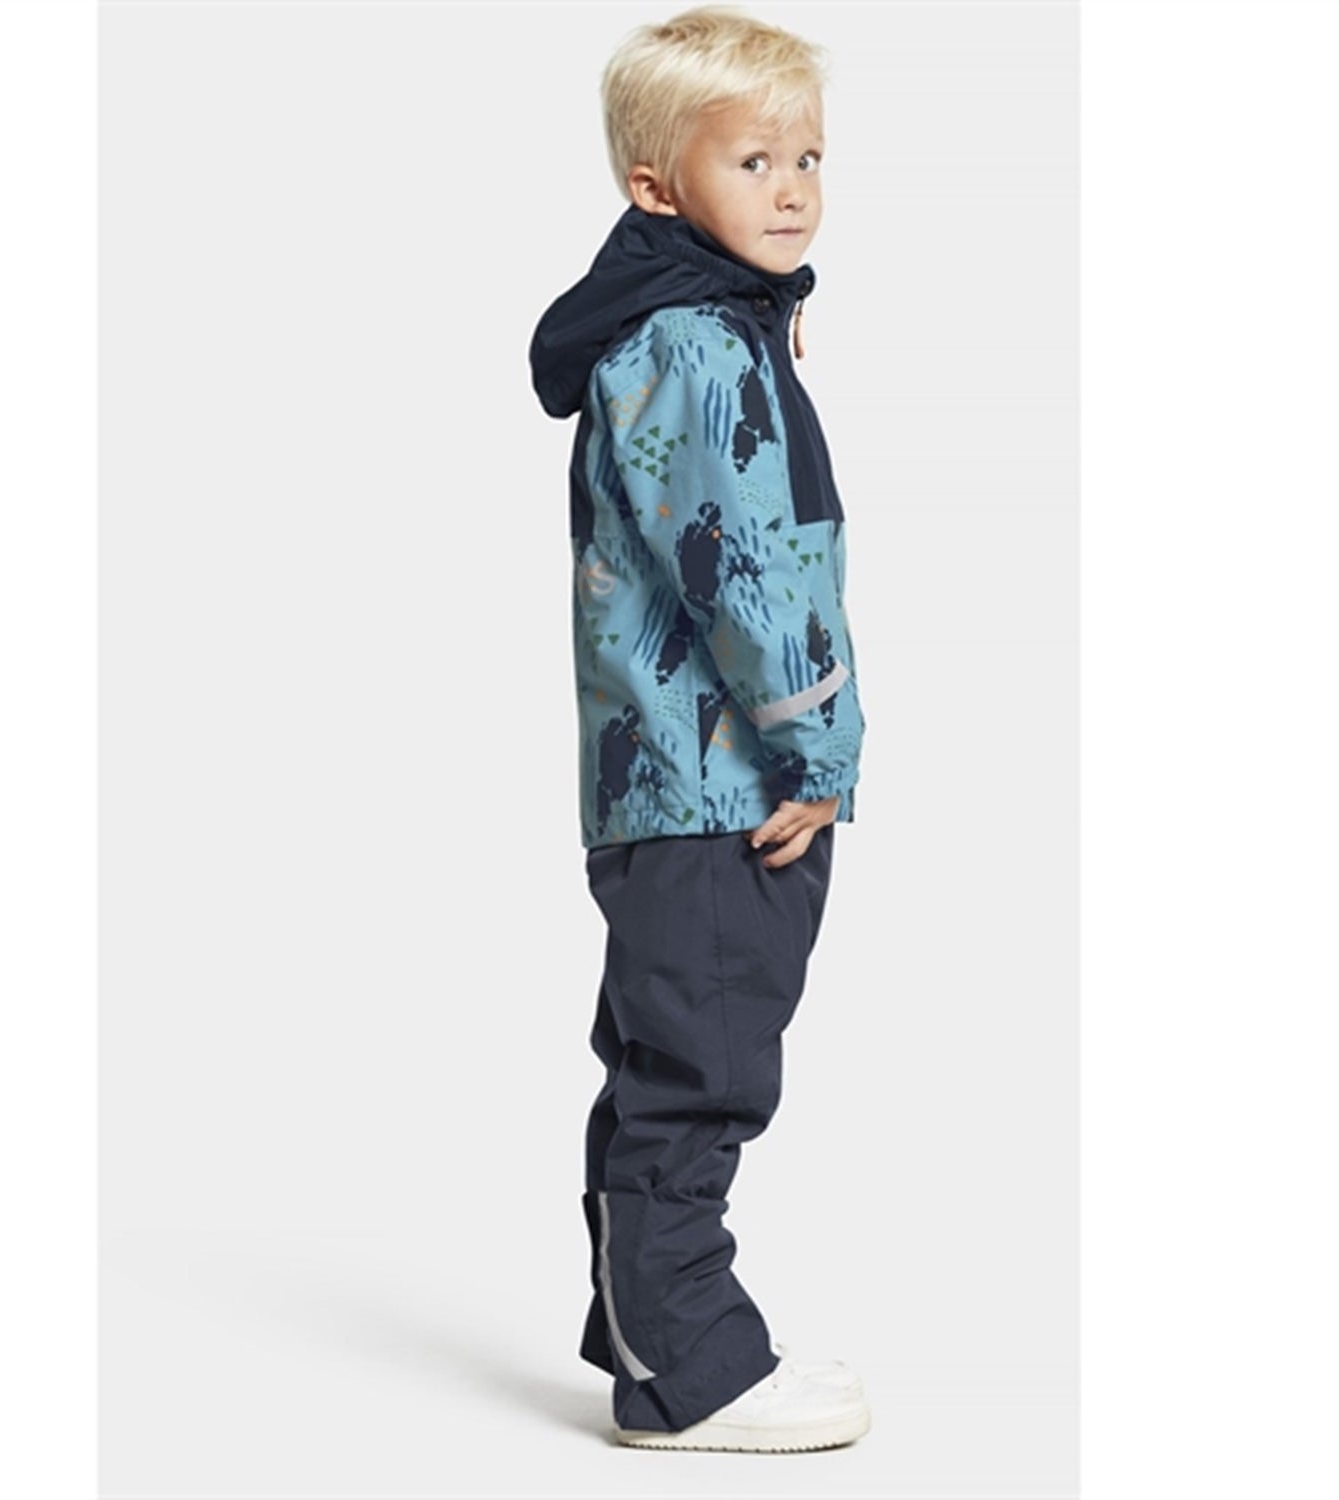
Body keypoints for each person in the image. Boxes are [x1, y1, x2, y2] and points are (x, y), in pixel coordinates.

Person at [528, 4, 871, 1455]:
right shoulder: (695, 345)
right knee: (703, 1070)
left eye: (808, 158)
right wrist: (822, 750)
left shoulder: (696, 327)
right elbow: (746, 571)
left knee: (664, 1055)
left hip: (670, 785)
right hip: (721, 788)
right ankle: (693, 1372)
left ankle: (645, 1324)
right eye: (753, 160)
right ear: (657, 186)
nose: (792, 189)